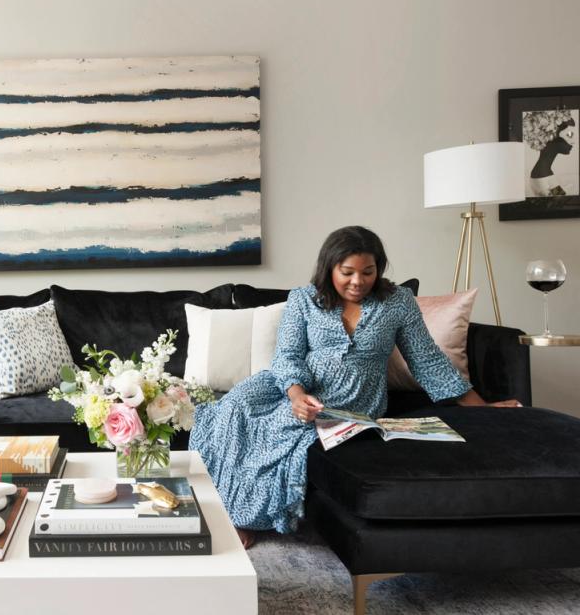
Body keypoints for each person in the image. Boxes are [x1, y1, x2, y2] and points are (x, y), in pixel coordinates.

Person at [189, 225, 521, 550]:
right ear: (329, 267)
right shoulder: (303, 300)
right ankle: (223, 509)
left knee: (281, 432)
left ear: (379, 269)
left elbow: (427, 360)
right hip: (289, 386)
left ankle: (243, 516)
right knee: (232, 408)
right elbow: (287, 356)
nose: (358, 281)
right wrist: (295, 394)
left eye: (368, 271)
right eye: (347, 272)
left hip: (349, 399)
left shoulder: (398, 303)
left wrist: (482, 408)